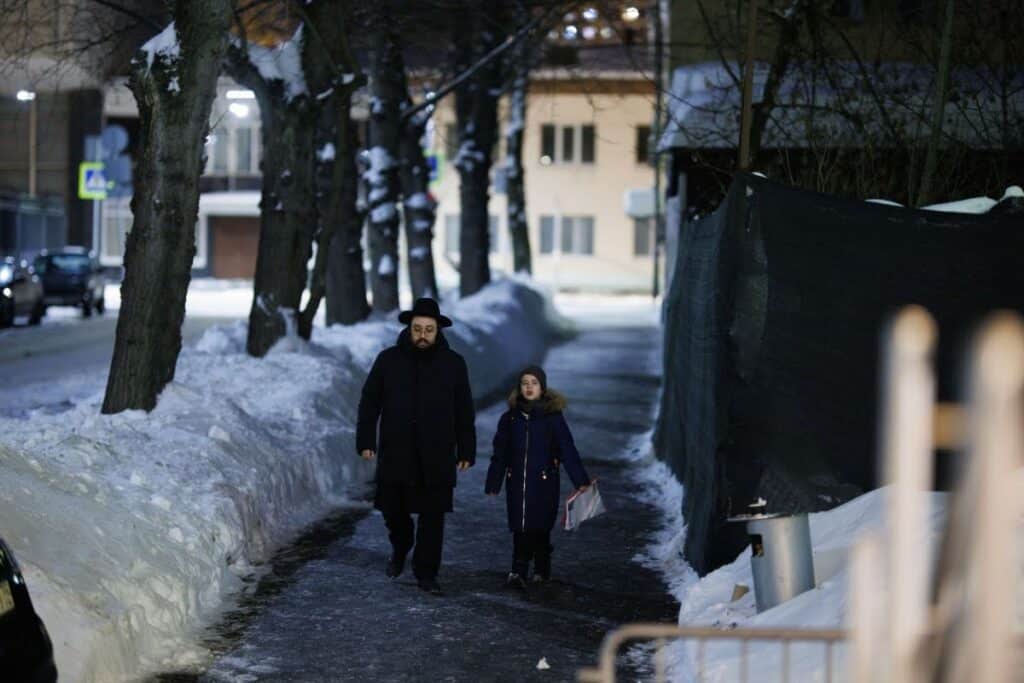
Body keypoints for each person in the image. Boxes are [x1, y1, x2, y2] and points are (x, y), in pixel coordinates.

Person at [356, 297, 476, 595]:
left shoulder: (453, 364)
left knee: (433, 517)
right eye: (418, 329)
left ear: (438, 332)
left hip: (436, 453)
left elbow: (464, 410)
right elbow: (369, 403)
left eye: (429, 330)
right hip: (396, 451)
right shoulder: (388, 360)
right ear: (409, 329)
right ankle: (401, 544)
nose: (423, 335)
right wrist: (366, 440)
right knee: (393, 511)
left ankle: (426, 574)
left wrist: (466, 449)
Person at [485, 365, 591, 588]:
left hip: (544, 481)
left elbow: (567, 448)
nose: (529, 387)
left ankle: (542, 567)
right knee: (520, 525)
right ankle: (518, 570)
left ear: (542, 387)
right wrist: (494, 481)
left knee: (540, 526)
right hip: (517, 483)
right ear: (519, 388)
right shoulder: (510, 419)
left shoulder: (552, 418)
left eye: (534, 383)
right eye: (525, 383)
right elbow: (500, 452)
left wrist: (580, 480)